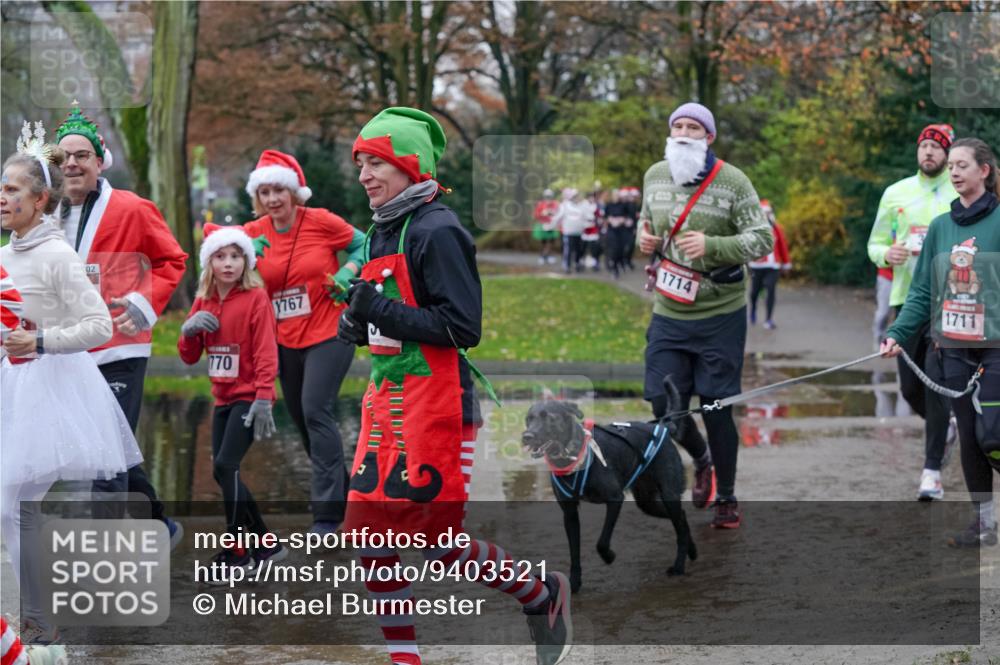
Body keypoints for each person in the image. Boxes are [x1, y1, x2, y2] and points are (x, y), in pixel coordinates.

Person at [339, 106, 572, 665]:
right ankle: (405, 659)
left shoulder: (438, 229)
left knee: (434, 539)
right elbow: (387, 318)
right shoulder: (381, 230)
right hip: (387, 401)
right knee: (368, 535)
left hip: (441, 404)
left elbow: (461, 327)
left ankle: (542, 595)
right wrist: (357, 323)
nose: (366, 175)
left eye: (377, 163)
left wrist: (381, 310)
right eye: (361, 164)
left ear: (410, 165)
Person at [1, 132, 142, 644]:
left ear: (40, 199)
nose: (1, 197)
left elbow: (100, 326)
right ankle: (41, 615)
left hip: (48, 387)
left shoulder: (57, 255)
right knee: (13, 508)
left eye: (13, 189)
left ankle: (41, 621)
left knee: (14, 506)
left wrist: (39, 342)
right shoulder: (5, 252)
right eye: (0, 187)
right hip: (9, 385)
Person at [637, 102, 773, 528]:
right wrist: (645, 240)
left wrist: (714, 247)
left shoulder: (733, 182)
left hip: (720, 314)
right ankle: (702, 458)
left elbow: (762, 239)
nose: (683, 132)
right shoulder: (654, 175)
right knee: (663, 406)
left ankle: (727, 497)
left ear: (709, 137)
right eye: (677, 124)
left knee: (715, 407)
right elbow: (648, 223)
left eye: (693, 127)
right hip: (669, 311)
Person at [54, 106, 187, 539]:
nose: (72, 163)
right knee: (117, 450)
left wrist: (143, 303)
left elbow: (172, 260)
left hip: (119, 346)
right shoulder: (45, 216)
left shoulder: (132, 208)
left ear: (99, 161)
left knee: (104, 456)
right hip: (69, 350)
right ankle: (159, 525)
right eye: (63, 157)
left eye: (82, 155)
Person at [882, 137, 1000, 547]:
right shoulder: (940, 227)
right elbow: (920, 292)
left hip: (995, 348)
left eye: (962, 165)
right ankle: (984, 524)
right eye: (951, 166)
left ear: (984, 170)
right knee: (968, 438)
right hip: (951, 347)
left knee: (992, 436)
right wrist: (897, 333)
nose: (953, 172)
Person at [242, 149, 364, 536]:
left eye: (279, 190)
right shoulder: (252, 234)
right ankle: (350, 499)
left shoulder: (321, 222)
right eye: (265, 193)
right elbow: (217, 258)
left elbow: (367, 243)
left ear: (295, 192)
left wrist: (347, 271)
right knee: (302, 419)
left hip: (329, 330)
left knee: (315, 410)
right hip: (282, 339)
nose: (273, 199)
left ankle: (326, 517)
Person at [177, 224, 286, 579]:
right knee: (224, 471)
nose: (228, 264)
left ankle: (238, 548)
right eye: (221, 256)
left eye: (236, 256)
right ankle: (267, 544)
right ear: (209, 262)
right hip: (222, 398)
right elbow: (190, 357)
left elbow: (267, 351)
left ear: (246, 262)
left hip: (249, 398)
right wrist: (188, 330)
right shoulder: (203, 301)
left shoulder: (256, 299)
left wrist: (264, 398)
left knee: (226, 466)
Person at [868, 124, 959, 501]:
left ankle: (931, 471)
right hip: (907, 299)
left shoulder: (961, 189)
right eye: (923, 146)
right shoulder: (896, 193)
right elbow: (875, 243)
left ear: (949, 155)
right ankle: (948, 425)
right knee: (910, 388)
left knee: (936, 384)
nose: (928, 153)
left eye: (936, 148)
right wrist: (887, 254)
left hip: (952, 301)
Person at [748, 199, 791, 329]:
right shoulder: (752, 228)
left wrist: (786, 262)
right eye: (763, 213)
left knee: (770, 289)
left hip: (773, 266)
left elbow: (782, 245)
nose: (766, 215)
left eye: (768, 213)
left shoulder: (776, 227)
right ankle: (753, 310)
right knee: (754, 292)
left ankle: (768, 320)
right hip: (757, 265)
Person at [552, 188, 589, 274]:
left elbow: (587, 217)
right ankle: (567, 266)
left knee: (578, 249)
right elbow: (558, 217)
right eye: (575, 196)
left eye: (578, 196)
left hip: (579, 232)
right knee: (568, 249)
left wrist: (586, 225)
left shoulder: (582, 206)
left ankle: (577, 264)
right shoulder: (565, 205)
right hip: (568, 232)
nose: (577, 197)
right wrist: (553, 223)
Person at [604, 189, 632, 278]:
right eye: (614, 195)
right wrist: (610, 220)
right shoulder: (608, 205)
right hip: (612, 231)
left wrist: (622, 220)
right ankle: (614, 268)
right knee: (614, 249)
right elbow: (605, 217)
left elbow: (628, 217)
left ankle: (620, 263)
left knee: (621, 249)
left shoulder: (624, 205)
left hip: (622, 231)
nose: (616, 196)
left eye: (617, 195)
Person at [532, 189, 559, 265]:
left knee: (552, 241)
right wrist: (542, 213)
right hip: (542, 224)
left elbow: (559, 213)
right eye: (547, 196)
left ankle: (549, 256)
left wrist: (553, 213)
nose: (548, 198)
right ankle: (542, 256)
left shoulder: (555, 204)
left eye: (550, 196)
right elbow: (535, 215)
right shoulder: (540, 204)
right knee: (543, 242)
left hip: (552, 224)